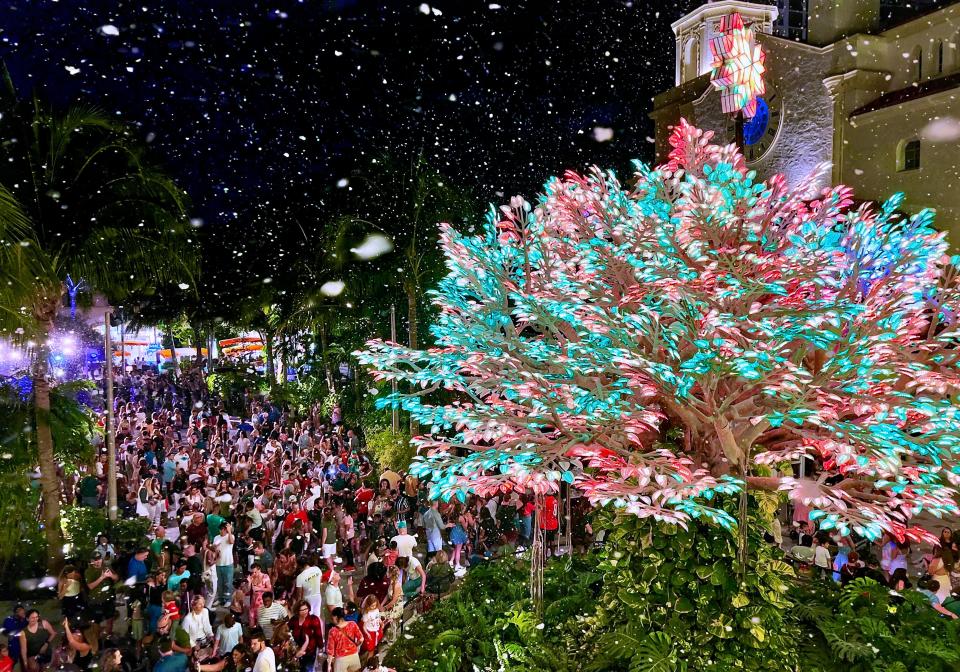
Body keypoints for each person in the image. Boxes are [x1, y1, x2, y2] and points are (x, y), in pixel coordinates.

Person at [326, 608, 363, 672]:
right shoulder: (352, 624)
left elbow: (330, 650)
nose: (333, 620)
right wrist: (356, 646)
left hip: (341, 660)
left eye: (332, 618)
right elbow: (361, 639)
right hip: (354, 656)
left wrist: (329, 665)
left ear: (336, 617)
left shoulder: (333, 631)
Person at [290, 601, 323, 672]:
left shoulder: (314, 619)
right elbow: (288, 631)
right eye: (302, 610)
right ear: (297, 611)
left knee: (308, 669)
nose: (305, 612)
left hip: (309, 651)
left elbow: (318, 634)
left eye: (306, 609)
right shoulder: (293, 620)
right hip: (296, 651)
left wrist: (321, 646)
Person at [214, 522, 236, 606]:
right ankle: (220, 598)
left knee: (228, 582)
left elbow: (231, 542)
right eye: (220, 529)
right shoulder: (216, 537)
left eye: (223, 529)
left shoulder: (230, 536)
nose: (221, 531)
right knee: (219, 583)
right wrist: (215, 549)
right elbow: (214, 548)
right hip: (218, 563)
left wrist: (230, 531)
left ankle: (228, 599)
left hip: (228, 563)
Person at [3, 605, 27, 669]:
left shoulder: (26, 620)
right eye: (20, 611)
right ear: (15, 612)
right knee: (11, 663)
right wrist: (7, 634)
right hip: (13, 645)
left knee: (24, 663)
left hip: (25, 645)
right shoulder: (8, 620)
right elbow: (3, 630)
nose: (22, 612)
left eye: (23, 611)